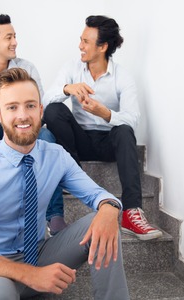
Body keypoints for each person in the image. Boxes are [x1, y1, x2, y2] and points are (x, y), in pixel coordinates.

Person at [0, 68, 129, 299]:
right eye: (12, 107)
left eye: (30, 105)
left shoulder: (56, 155)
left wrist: (109, 208)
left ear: (40, 110)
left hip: (38, 254)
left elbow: (96, 194)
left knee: (103, 223)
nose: (23, 115)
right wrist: (30, 274)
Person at [43, 15, 162, 240]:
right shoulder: (72, 68)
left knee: (125, 129)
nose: (80, 46)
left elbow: (132, 118)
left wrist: (104, 113)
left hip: (108, 141)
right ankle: (73, 171)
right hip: (79, 141)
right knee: (53, 110)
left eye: (86, 41)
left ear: (103, 46)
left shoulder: (122, 77)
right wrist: (67, 88)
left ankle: (132, 212)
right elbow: (47, 98)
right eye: (81, 39)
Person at [0, 14, 66, 234]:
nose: (15, 42)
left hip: (24, 127)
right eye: (9, 37)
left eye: (15, 36)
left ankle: (55, 214)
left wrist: (18, 112)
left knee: (47, 138)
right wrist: (6, 107)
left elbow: (37, 101)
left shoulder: (25, 67)